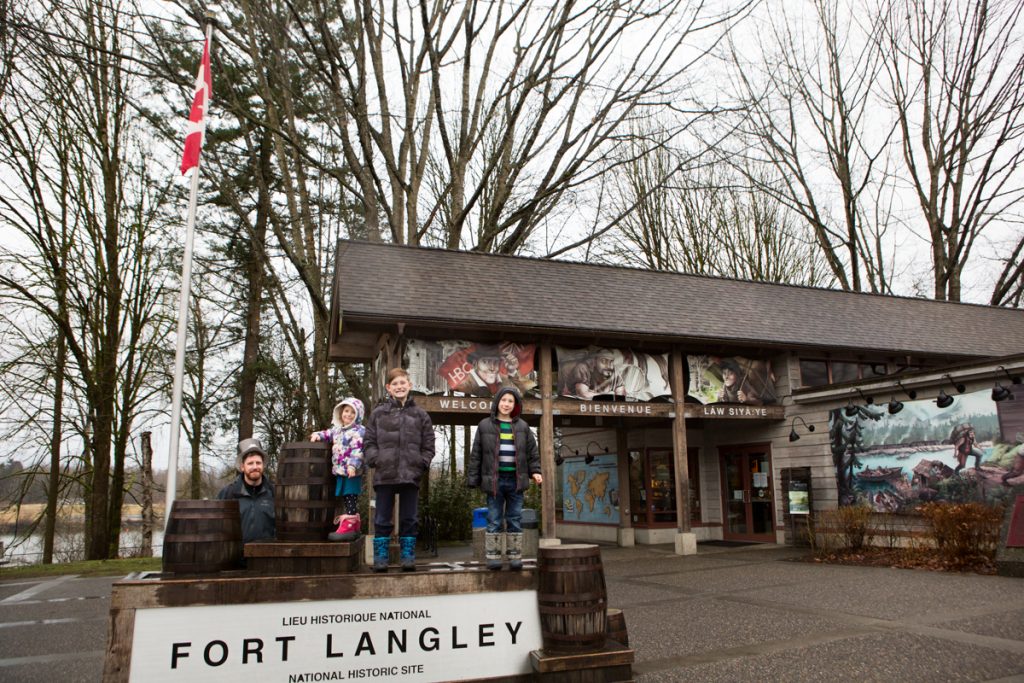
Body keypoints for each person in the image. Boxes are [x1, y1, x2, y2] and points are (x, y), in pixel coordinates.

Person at [364, 368, 435, 572]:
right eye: (395, 384)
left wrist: (422, 462)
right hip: (384, 473)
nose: (399, 386)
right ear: (389, 388)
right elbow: (369, 441)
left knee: (409, 518)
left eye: (402, 383)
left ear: (409, 385)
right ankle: (381, 558)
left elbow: (429, 443)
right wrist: (375, 460)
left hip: (410, 474)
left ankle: (407, 557)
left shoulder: (420, 414)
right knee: (382, 518)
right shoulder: (378, 413)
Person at [467, 387, 542, 570]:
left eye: (510, 401)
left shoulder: (523, 427)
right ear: (497, 402)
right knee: (494, 518)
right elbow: (476, 454)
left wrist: (536, 471)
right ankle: (493, 556)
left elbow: (532, 452)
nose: (506, 404)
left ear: (515, 405)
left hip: (516, 480)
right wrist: (473, 478)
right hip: (494, 481)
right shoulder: (484, 425)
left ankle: (515, 556)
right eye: (503, 400)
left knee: (515, 518)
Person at [310, 397, 365, 542]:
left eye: (353, 412)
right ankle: (353, 523)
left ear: (358, 415)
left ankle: (350, 522)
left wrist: (353, 465)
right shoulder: (338, 430)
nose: (348, 415)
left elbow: (358, 450)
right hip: (340, 470)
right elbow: (327, 434)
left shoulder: (358, 431)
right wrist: (318, 435)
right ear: (341, 412)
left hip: (351, 471)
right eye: (346, 411)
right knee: (345, 497)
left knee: (350, 495)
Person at [217, 438, 275, 544]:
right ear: (242, 467)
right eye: (250, 463)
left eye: (258, 463)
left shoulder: (274, 492)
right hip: (237, 557)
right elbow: (218, 528)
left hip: (267, 557)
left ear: (263, 465)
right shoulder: (228, 493)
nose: (255, 467)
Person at [559, 348, 624, 399]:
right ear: (594, 361)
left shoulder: (615, 372)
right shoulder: (583, 368)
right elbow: (583, 394)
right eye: (604, 361)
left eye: (611, 362)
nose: (609, 366)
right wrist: (609, 395)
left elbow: (620, 396)